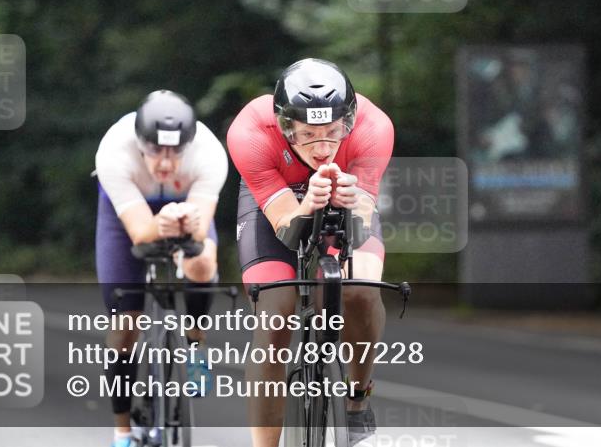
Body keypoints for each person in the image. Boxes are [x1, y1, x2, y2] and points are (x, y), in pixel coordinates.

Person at [227, 58, 394, 447]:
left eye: (333, 132)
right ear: (286, 126)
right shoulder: (251, 131)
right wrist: (306, 206)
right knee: (274, 316)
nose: (322, 148)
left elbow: (360, 224)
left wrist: (350, 202)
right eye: (307, 134)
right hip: (277, 203)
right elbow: (286, 227)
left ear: (348, 122)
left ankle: (358, 398)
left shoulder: (373, 128)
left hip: (346, 193)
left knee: (361, 291)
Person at [95, 90, 229, 447]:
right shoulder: (114, 150)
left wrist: (186, 226)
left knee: (202, 262)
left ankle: (195, 341)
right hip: (127, 211)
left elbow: (198, 235)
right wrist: (160, 223)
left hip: (186, 206)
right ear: (140, 143)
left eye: (175, 152)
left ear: (189, 144)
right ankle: (123, 431)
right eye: (155, 150)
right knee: (124, 326)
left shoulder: (209, 152)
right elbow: (140, 234)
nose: (166, 163)